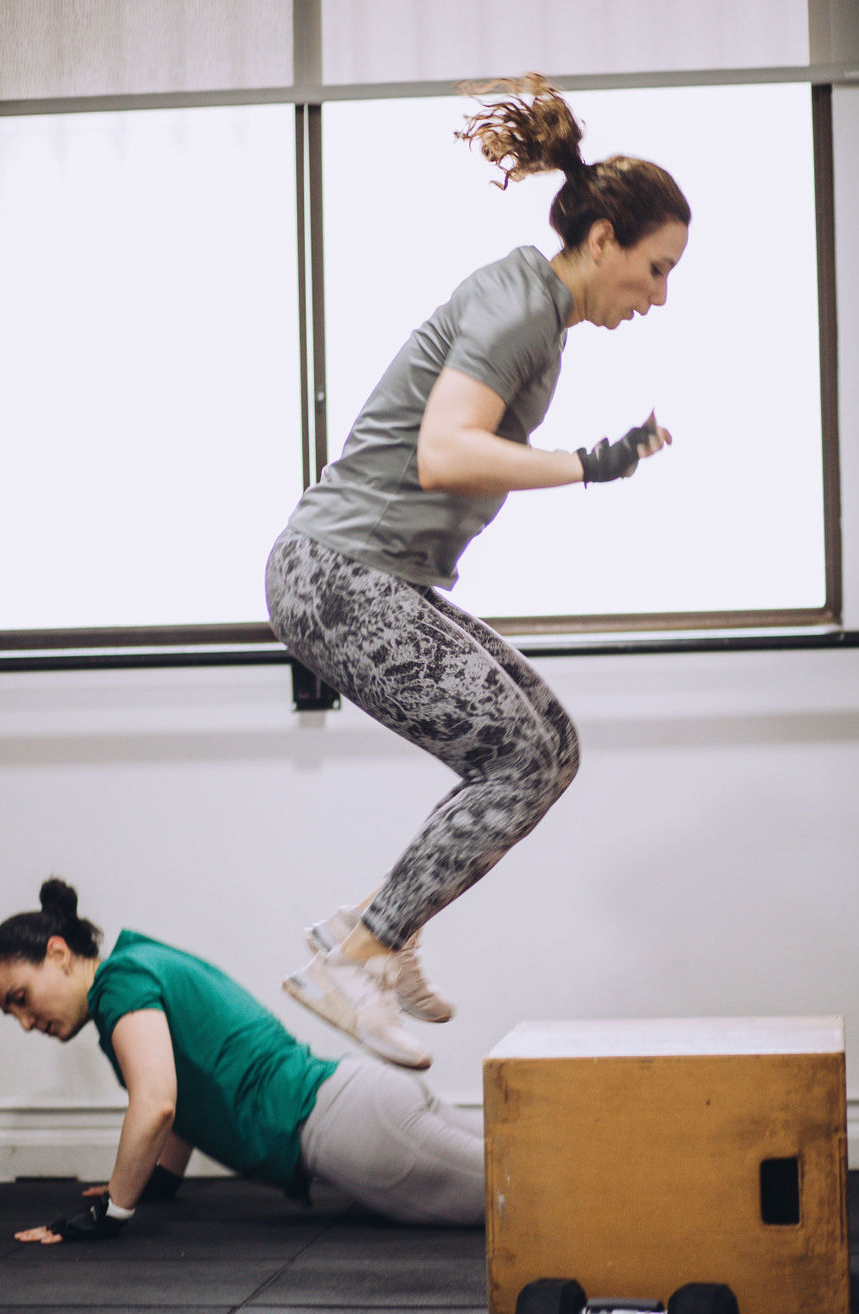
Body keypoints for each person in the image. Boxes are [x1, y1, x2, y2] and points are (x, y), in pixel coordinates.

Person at [266, 73, 690, 1072]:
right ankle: (356, 959)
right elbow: (444, 453)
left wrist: (604, 458)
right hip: (337, 573)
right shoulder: (518, 309)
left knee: (551, 741)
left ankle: (378, 924)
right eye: (656, 268)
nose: (660, 296)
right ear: (603, 245)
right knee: (517, 758)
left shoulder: (533, 312)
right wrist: (587, 465)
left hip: (377, 575)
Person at [0, 880, 485, 1244]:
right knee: (535, 1167)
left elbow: (156, 1103)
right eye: (11, 1014)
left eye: (21, 997)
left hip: (353, 1132)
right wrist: (158, 1179)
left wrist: (111, 1213)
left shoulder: (119, 985)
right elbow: (184, 1089)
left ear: (59, 953)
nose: (25, 1022)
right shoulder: (138, 963)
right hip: (364, 1102)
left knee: (535, 1203)